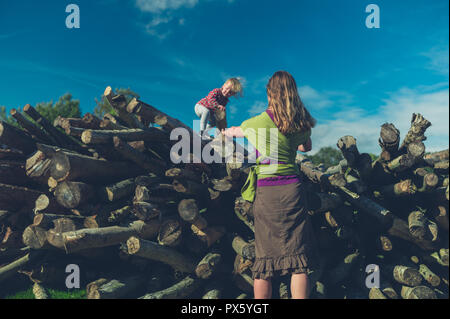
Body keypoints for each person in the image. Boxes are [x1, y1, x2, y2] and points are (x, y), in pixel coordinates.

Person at [222, 71, 318, 299]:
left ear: (270, 93)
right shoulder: (301, 123)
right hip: (293, 190)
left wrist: (223, 130)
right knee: (298, 261)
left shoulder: (257, 122)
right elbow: (307, 147)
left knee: (264, 261)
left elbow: (232, 132)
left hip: (267, 191)